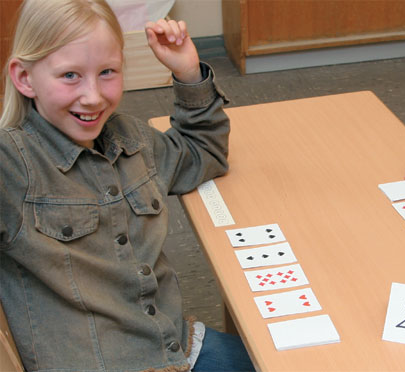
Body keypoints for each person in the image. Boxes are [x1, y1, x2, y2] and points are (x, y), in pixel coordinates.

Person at [0, 0, 254, 371]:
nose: (93, 96)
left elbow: (203, 154)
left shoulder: (130, 137)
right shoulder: (11, 162)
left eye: (107, 72)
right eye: (70, 75)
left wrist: (187, 74)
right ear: (24, 78)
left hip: (174, 349)